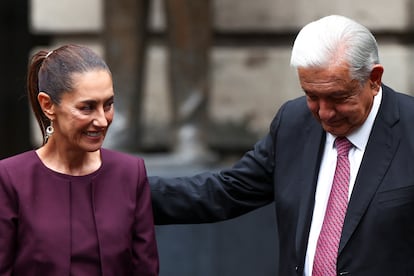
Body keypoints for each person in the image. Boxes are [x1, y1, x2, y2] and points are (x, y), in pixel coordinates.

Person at [150, 14, 414, 275]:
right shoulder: (293, 122)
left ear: (374, 79)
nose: (324, 113)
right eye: (312, 96)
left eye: (338, 97)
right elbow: (223, 192)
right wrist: (123, 187)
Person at [0, 44, 159, 275]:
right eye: (87, 108)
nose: (103, 121)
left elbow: (146, 269)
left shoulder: (130, 173)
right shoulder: (10, 179)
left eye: (108, 105)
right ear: (48, 105)